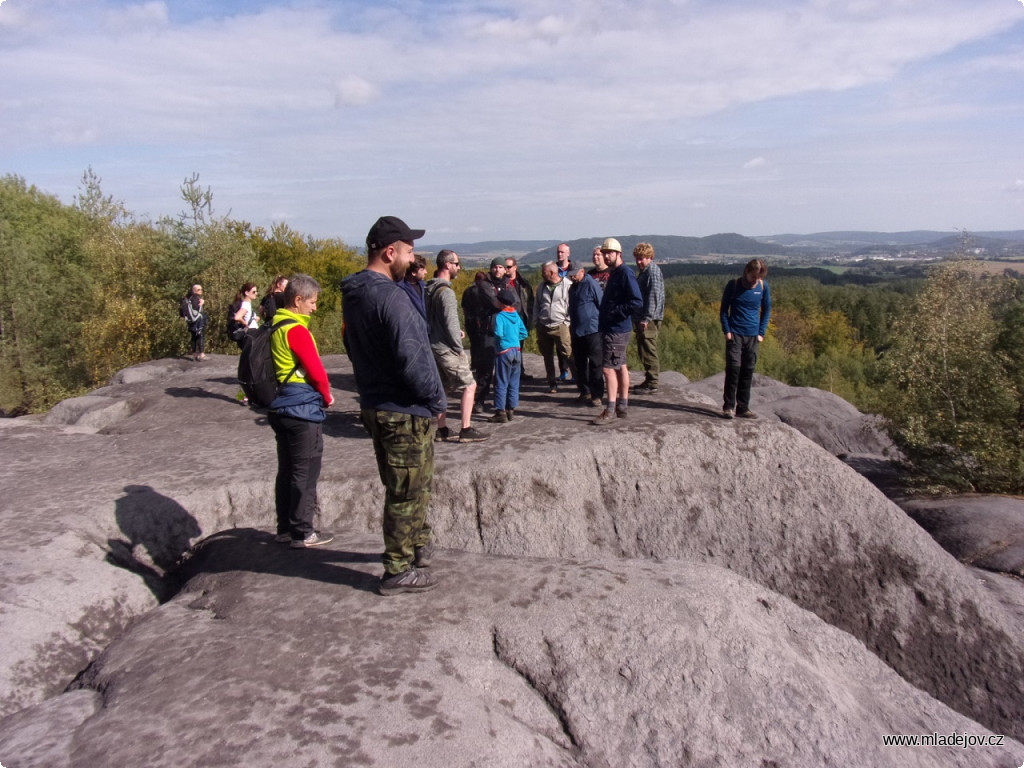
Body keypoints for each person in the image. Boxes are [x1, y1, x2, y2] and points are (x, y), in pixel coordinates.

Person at [342, 216, 446, 596]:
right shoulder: (391, 297)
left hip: (376, 403)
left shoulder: (355, 294)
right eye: (409, 250)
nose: (412, 257)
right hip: (404, 409)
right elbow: (415, 357)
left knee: (408, 483)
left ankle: (418, 545)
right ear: (390, 252)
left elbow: (353, 349)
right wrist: (436, 399)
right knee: (406, 491)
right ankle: (398, 569)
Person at [267, 274, 335, 549]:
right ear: (298, 300)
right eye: (312, 302)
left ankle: (285, 529)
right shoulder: (295, 329)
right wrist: (327, 395)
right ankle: (302, 532)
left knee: (286, 470)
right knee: (305, 471)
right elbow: (315, 370)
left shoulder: (274, 325)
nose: (315, 307)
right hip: (301, 408)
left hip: (280, 405)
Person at [425, 250, 487, 443]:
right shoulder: (447, 292)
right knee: (470, 385)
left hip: (432, 344)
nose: (459, 267)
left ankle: (442, 429)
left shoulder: (428, 289)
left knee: (442, 387)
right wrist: (459, 348)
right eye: (457, 264)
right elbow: (450, 324)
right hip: (446, 348)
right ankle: (466, 429)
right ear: (447, 265)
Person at [592, 238, 642, 426]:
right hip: (614, 327)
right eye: (604, 253)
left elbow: (636, 301)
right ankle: (622, 405)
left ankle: (610, 409)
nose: (606, 256)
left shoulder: (625, 273)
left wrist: (615, 312)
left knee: (608, 368)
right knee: (620, 365)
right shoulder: (615, 272)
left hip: (616, 328)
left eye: (609, 253)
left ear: (618, 254)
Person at [720, 259, 771, 420]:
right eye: (753, 277)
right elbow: (723, 310)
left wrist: (761, 332)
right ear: (746, 272)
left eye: (758, 278)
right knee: (733, 370)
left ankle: (743, 408)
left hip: (753, 336)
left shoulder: (763, 287)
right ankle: (728, 407)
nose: (755, 281)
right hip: (735, 334)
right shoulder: (733, 285)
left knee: (747, 372)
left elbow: (767, 309)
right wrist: (727, 331)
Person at [531, 261, 575, 393]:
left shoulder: (567, 285)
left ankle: (580, 379)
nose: (541, 274)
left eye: (543, 272)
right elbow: (537, 305)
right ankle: (552, 383)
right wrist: (536, 321)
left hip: (560, 325)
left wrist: (566, 322)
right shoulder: (541, 287)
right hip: (543, 325)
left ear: (551, 272)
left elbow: (571, 305)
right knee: (547, 356)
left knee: (568, 353)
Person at [567, 263, 604, 407]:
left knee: (595, 364)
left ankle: (597, 395)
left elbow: (601, 303)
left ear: (582, 271)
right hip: (577, 331)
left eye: (575, 273)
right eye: (571, 274)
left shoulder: (591, 284)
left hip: (593, 330)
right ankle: (585, 391)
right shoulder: (572, 287)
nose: (572, 276)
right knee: (580, 364)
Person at [490, 288, 528, 423]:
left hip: (504, 352)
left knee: (500, 381)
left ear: (500, 302)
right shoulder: (516, 315)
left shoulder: (500, 316)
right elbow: (524, 333)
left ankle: (500, 411)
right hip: (516, 350)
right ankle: (510, 409)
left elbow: (499, 333)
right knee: (514, 381)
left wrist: (498, 344)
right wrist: (515, 339)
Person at [632, 242, 665, 394]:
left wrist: (646, 318)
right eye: (638, 258)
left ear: (650, 257)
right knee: (643, 349)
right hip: (644, 318)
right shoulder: (645, 271)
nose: (639, 261)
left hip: (649, 320)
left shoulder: (652, 272)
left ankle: (652, 383)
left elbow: (654, 297)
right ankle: (649, 380)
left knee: (648, 350)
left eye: (642, 258)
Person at [505, 257, 534, 380]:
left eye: (509, 267)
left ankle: (519, 371)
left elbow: (530, 301)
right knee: (508, 347)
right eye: (505, 266)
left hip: (521, 318)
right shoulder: (502, 284)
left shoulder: (523, 283)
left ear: (515, 267)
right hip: (508, 319)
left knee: (519, 347)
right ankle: (510, 372)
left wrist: (531, 318)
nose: (506, 269)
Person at [229, 283, 261, 348]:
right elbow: (237, 317)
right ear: (246, 293)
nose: (256, 293)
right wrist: (245, 323)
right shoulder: (246, 304)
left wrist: (255, 318)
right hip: (251, 333)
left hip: (251, 332)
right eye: (254, 292)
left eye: (256, 291)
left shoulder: (247, 304)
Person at [182, 284, 207, 361]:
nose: (201, 291)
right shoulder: (195, 297)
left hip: (191, 320)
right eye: (199, 289)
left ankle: (194, 353)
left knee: (194, 336)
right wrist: (201, 303)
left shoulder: (189, 297)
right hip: (197, 319)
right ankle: (201, 354)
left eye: (201, 289)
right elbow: (196, 307)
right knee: (200, 335)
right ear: (194, 290)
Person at [399, 253, 428, 319]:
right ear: (413, 273)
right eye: (422, 269)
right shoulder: (401, 290)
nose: (426, 272)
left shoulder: (425, 286)